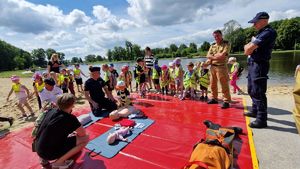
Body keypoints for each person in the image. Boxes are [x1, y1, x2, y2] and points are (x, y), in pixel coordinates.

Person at [35, 93, 89, 169]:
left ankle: (43, 159)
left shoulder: (51, 111)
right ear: (72, 105)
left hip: (38, 148)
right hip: (48, 153)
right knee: (85, 138)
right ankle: (58, 163)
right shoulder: (70, 118)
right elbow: (83, 134)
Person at [244, 12, 277, 128]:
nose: (254, 25)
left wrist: (249, 47)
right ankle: (255, 111)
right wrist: (249, 47)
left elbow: (248, 49)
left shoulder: (268, 32)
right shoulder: (260, 33)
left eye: (255, 22)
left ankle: (262, 119)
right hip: (253, 64)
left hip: (260, 65)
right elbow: (246, 49)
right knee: (251, 89)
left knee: (258, 91)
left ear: (264, 20)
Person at [206, 30, 231, 109]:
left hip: (221, 67)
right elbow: (208, 55)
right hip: (212, 67)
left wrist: (212, 57)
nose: (216, 38)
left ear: (221, 35)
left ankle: (226, 101)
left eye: (218, 36)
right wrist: (216, 57)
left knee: (224, 84)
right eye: (215, 36)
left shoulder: (226, 44)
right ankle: (214, 98)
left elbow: (223, 56)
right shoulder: (212, 45)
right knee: (212, 84)